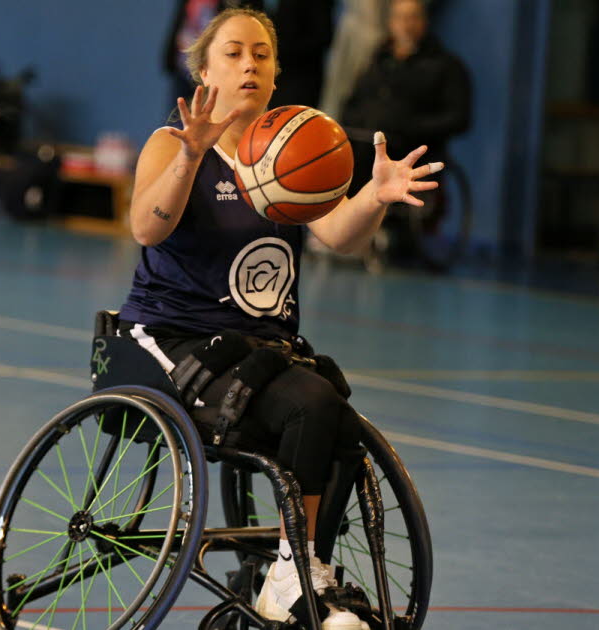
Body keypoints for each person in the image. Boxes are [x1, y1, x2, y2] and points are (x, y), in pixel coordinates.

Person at [117, 8, 441, 628]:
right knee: (310, 405)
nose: (249, 65)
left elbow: (338, 237)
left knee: (340, 422)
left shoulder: (289, 149)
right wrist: (190, 158)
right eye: (234, 53)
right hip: (175, 341)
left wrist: (373, 196)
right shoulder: (172, 144)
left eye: (261, 55)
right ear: (205, 71)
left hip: (258, 348)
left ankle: (303, 570)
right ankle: (293, 574)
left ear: (274, 74)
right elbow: (145, 227)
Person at [342, 0, 470, 242]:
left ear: (424, 22)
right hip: (362, 145)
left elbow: (459, 118)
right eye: (400, 18)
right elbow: (352, 103)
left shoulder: (445, 66)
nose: (406, 25)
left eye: (412, 18)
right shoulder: (376, 62)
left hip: (409, 148)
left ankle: (381, 229)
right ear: (391, 23)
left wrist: (412, 127)